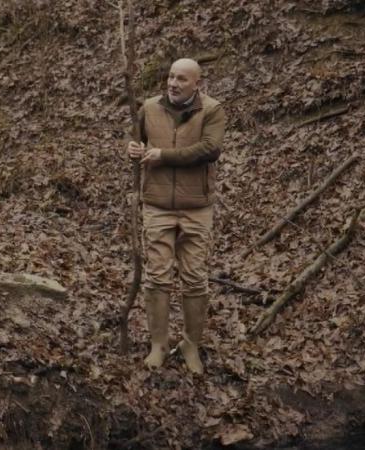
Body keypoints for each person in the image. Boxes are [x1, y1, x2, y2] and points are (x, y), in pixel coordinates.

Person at [127, 58, 226, 374]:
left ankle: (190, 344)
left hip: (197, 206)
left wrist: (164, 156)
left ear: (197, 83)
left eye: (181, 79)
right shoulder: (150, 108)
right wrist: (130, 148)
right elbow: (134, 139)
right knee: (157, 275)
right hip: (156, 204)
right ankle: (158, 344)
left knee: (195, 277)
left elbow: (210, 149)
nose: (173, 83)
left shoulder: (211, 110)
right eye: (170, 76)